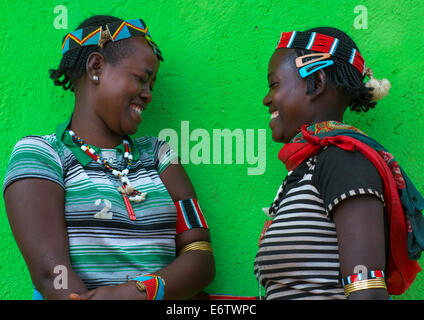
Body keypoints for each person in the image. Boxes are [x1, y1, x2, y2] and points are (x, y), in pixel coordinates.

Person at [3, 15, 214, 300]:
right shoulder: (42, 154)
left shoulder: (160, 155)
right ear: (96, 67)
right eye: (141, 79)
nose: (149, 94)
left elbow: (199, 254)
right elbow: (51, 274)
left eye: (152, 84)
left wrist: (135, 293)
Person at [254, 27, 423, 300]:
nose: (266, 98)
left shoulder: (344, 159)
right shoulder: (311, 165)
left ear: (317, 82)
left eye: (274, 84)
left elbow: (367, 295)